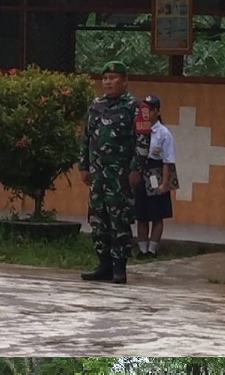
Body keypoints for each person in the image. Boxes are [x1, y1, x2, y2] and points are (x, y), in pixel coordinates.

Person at [79, 60, 141, 285]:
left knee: (119, 219)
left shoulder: (134, 107)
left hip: (120, 176)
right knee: (98, 218)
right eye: (105, 78)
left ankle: (119, 268)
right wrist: (84, 166)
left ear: (125, 81)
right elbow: (86, 138)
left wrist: (136, 169)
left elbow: (142, 141)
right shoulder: (96, 106)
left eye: (113, 78)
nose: (108, 82)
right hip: (98, 174)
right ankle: (103, 264)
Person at [134, 94, 177, 260]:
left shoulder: (163, 133)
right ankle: (142, 249)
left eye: (151, 110)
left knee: (157, 214)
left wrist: (165, 183)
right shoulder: (138, 130)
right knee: (141, 214)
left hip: (156, 173)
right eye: (145, 110)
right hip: (141, 172)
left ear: (157, 112)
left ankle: (153, 249)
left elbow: (168, 160)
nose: (147, 114)